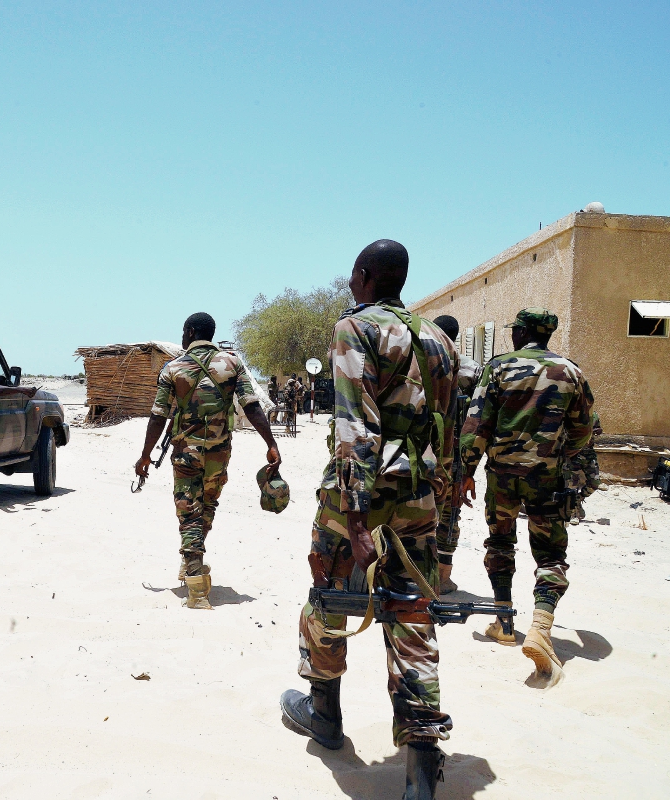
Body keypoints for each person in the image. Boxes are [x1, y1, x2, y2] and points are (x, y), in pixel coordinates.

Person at [280, 240, 457, 798]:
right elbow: (446, 432)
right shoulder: (440, 338)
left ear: (363, 277)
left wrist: (357, 522)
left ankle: (324, 713)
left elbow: (357, 424)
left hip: (359, 497)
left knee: (330, 596)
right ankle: (421, 767)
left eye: (352, 277)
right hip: (419, 497)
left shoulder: (355, 328)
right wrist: (439, 499)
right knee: (411, 617)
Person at [459, 307, 594, 683]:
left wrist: (465, 472)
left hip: (502, 476)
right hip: (547, 477)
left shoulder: (499, 367)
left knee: (500, 541)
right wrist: (559, 454)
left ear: (520, 333)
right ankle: (540, 628)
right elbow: (584, 429)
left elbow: (477, 422)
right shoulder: (571, 371)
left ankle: (503, 620)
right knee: (551, 553)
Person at [133, 312, 282, 610]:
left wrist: (145, 455)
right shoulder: (232, 364)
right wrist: (271, 443)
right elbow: (251, 407)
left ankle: (196, 587)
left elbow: (158, 416)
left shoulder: (173, 368)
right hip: (219, 453)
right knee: (207, 507)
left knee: (188, 511)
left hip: (186, 453)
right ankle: (193, 559)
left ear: (189, 332)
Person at [431, 314, 483, 594]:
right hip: (456, 456)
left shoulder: (418, 360)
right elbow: (479, 416)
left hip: (422, 451)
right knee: (450, 514)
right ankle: (442, 576)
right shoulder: (470, 369)